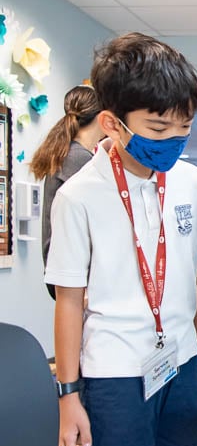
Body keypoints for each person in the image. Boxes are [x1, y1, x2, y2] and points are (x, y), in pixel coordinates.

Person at [45, 33, 197, 446]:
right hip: (114, 369)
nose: (172, 140)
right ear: (112, 123)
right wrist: (68, 394)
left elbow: (196, 274)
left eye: (183, 126)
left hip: (178, 359)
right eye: (158, 127)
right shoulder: (78, 196)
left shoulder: (191, 181)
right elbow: (69, 301)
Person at [30, 84, 104, 300]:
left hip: (64, 269)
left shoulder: (70, 153)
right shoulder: (79, 159)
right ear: (101, 117)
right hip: (74, 273)